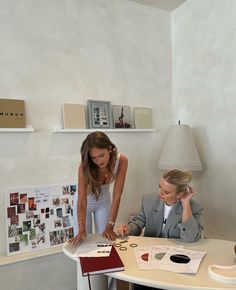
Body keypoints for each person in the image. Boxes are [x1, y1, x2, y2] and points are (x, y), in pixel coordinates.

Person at [116, 169, 203, 290]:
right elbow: (139, 221)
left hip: (174, 262)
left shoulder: (193, 208)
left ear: (179, 194)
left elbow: (190, 238)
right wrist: (127, 229)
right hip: (149, 259)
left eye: (166, 192)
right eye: (160, 187)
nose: (161, 193)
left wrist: (186, 204)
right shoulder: (149, 199)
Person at [68, 131, 128, 246]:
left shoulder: (122, 161)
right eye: (94, 158)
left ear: (109, 149)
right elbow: (81, 199)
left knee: (105, 241)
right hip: (84, 202)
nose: (99, 161)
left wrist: (110, 226)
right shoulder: (84, 167)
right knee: (83, 241)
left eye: (101, 155)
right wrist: (81, 230)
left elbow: (117, 196)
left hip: (104, 201)